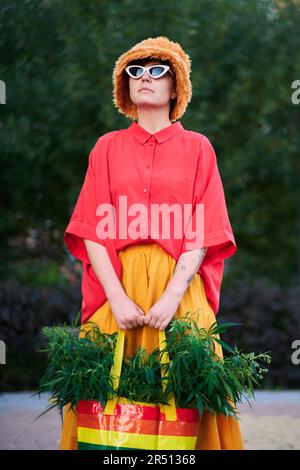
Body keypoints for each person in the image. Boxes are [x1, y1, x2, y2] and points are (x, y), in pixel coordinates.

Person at [59, 36, 244, 450]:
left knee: (189, 394)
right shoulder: (106, 148)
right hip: (117, 293)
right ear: (124, 86)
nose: (145, 77)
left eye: (157, 70)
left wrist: (172, 296)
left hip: (179, 292)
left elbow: (204, 227)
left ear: (176, 86)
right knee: (103, 398)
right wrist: (118, 299)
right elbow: (91, 228)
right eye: (135, 71)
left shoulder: (199, 148)